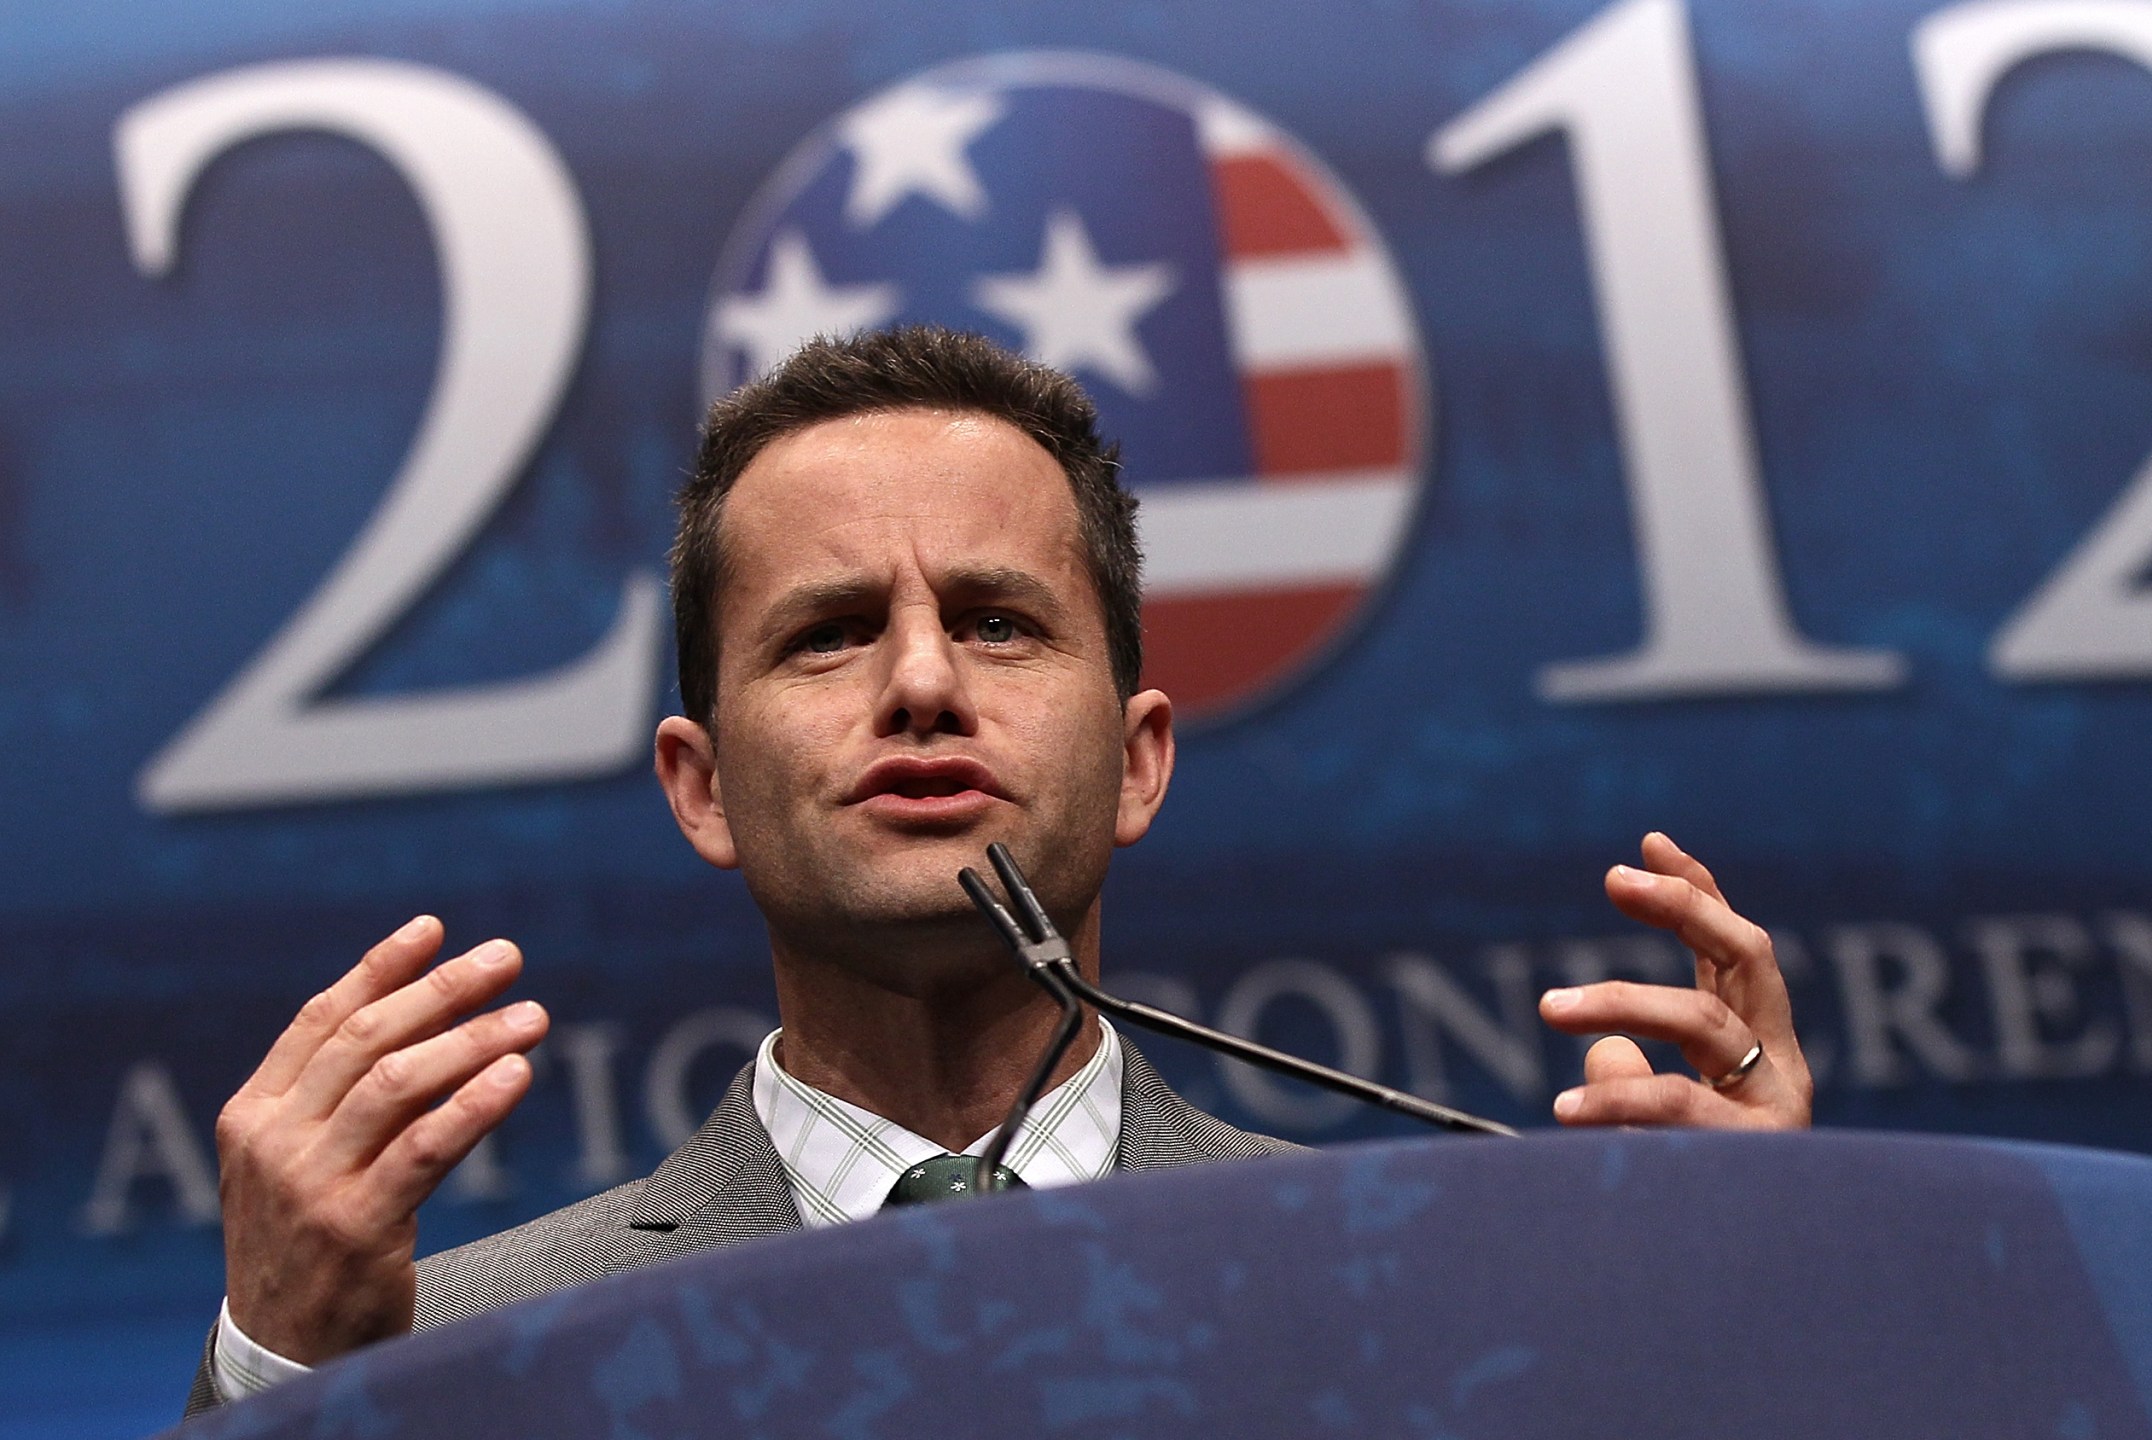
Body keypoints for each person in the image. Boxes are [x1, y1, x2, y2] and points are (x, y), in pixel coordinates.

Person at [186, 326, 1815, 1414]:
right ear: (701, 789)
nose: (920, 684)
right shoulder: (465, 1357)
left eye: (995, 622)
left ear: (1136, 760)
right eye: (828, 635)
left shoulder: (1420, 1292)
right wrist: (284, 1374)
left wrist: (1760, 1307)